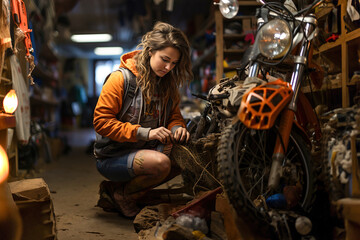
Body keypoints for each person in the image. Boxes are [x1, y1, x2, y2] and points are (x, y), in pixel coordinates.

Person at [93, 21, 193, 218]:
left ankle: (128, 191)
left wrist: (177, 128)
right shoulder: (120, 79)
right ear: (150, 51)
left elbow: (174, 116)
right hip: (112, 156)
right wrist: (145, 132)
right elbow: (101, 122)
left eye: (174, 63)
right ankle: (123, 194)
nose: (168, 67)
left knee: (187, 158)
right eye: (164, 59)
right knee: (161, 164)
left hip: (145, 150)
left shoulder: (167, 85)